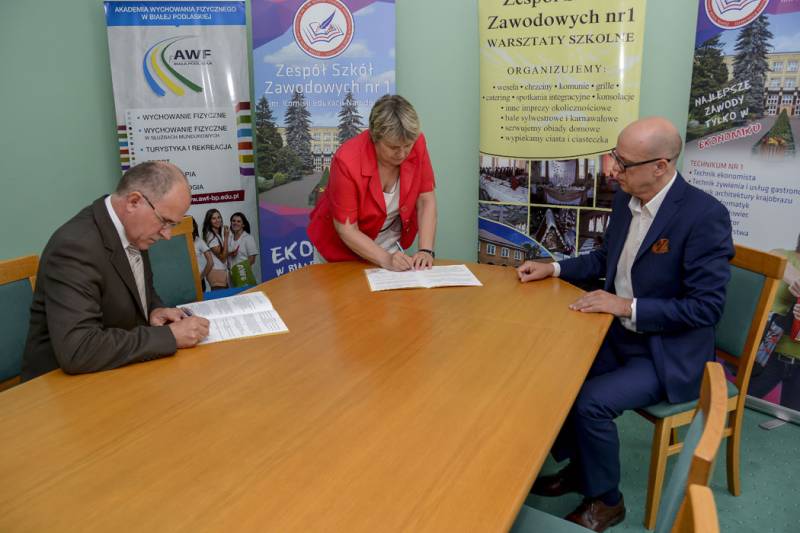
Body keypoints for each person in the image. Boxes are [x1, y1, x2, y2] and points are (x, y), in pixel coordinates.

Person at [516, 117, 734, 531]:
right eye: (615, 156)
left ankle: (607, 501)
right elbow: (606, 260)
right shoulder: (625, 199)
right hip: (620, 335)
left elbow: (706, 308)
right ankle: (581, 470)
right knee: (558, 373)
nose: (613, 169)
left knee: (591, 402)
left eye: (624, 163)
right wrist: (554, 267)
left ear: (661, 166)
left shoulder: (705, 216)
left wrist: (626, 305)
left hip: (668, 352)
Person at [21, 161, 210, 380]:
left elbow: (137, 290)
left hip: (118, 369)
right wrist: (169, 336)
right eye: (165, 222)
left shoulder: (132, 229)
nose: (167, 235)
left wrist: (154, 310)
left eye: (173, 225)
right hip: (58, 386)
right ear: (134, 202)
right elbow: (78, 349)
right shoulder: (74, 247)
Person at [307, 94, 437, 271]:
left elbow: (425, 200)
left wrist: (425, 250)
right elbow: (347, 229)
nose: (402, 153)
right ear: (375, 137)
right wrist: (386, 259)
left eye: (407, 146)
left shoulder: (416, 142)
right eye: (393, 147)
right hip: (339, 250)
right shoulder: (347, 161)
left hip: (387, 245)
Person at [748, 233, 800, 409]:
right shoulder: (783, 255)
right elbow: (775, 261)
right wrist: (796, 280)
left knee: (793, 421)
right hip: (768, 355)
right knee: (741, 404)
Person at [202, 208, 230, 289]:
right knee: (221, 295)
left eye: (218, 217)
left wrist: (230, 253)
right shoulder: (211, 236)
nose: (217, 220)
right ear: (209, 221)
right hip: (216, 272)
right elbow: (223, 258)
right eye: (213, 218)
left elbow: (220, 254)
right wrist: (226, 237)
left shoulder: (216, 234)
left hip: (219, 271)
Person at [192, 217, 214, 291]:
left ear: (194, 227)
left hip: (198, 281)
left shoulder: (199, 241)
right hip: (185, 281)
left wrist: (201, 277)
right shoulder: (180, 242)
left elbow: (210, 262)